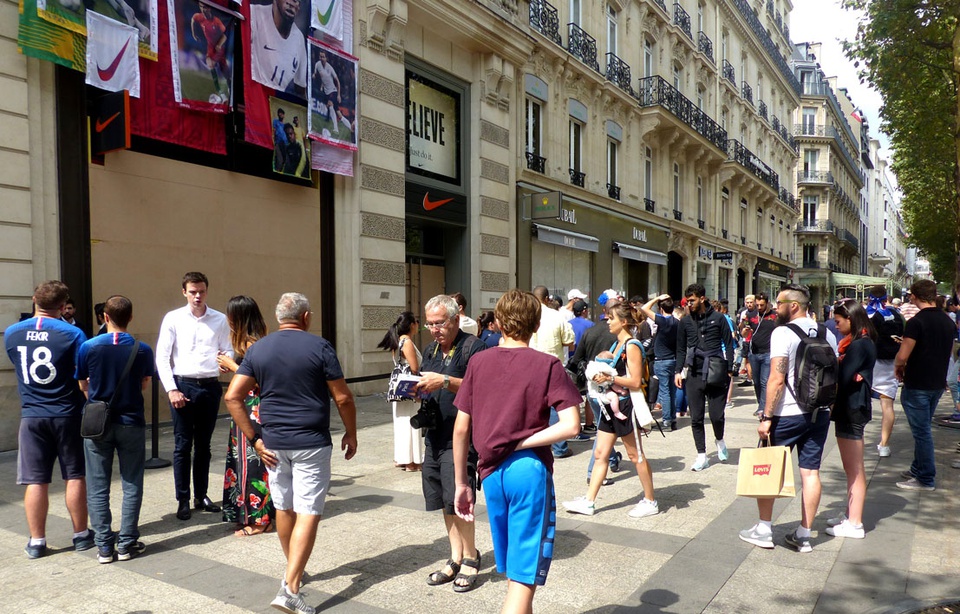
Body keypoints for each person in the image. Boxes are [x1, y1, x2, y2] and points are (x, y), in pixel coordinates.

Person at [224, 292, 358, 614]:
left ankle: (292, 570)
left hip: (272, 444)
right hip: (310, 442)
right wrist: (351, 433)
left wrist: (254, 439)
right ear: (306, 317)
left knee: (284, 508)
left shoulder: (258, 349)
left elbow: (232, 397)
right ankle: (291, 588)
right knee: (309, 511)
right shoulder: (320, 347)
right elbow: (342, 398)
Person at [452, 290, 581, 612]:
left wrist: (461, 484)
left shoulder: (478, 362)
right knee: (523, 580)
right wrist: (523, 441)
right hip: (528, 470)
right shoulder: (547, 364)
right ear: (536, 325)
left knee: (513, 569)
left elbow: (460, 429)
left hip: (490, 472)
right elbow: (571, 426)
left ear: (497, 323)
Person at [739, 284, 838, 553]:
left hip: (787, 413)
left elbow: (776, 378)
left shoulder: (782, 332)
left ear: (793, 305)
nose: (775, 305)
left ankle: (763, 529)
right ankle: (805, 534)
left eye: (779, 301)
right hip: (818, 412)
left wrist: (767, 416)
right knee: (810, 472)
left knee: (768, 468)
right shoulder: (827, 333)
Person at [5, 280, 94, 559]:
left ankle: (36, 541)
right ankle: (80, 534)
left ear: (34, 299)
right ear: (62, 306)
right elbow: (82, 372)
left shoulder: (11, 333)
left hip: (32, 414)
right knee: (75, 475)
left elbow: (16, 363)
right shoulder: (73, 333)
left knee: (36, 480)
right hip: (67, 412)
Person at [413, 295, 485, 593]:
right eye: (429, 324)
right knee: (443, 499)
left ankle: (471, 556)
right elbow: (428, 381)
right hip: (435, 433)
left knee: (459, 496)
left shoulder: (474, 347)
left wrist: (443, 381)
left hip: (461, 436)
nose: (433, 329)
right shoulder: (430, 349)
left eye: (439, 323)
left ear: (455, 319)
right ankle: (454, 556)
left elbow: (480, 387)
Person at [76, 295, 155, 562]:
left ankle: (104, 546)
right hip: (131, 422)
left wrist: (99, 403)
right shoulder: (142, 349)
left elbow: (83, 385)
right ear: (130, 317)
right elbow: (144, 383)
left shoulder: (88, 347)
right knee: (132, 482)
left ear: (105, 317)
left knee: (98, 484)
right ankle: (127, 543)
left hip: (98, 424)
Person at [562, 302, 659, 518]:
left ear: (623, 322)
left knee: (635, 455)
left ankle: (650, 500)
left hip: (625, 406)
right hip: (609, 404)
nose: (607, 321)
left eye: (611, 318)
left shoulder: (631, 345)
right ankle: (589, 501)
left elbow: (634, 381)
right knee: (600, 454)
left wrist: (609, 378)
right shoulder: (617, 344)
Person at [156, 272, 232, 521]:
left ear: (207, 291)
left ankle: (201, 494)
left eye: (201, 291)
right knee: (182, 446)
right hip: (183, 385)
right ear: (184, 292)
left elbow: (228, 348)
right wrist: (171, 389)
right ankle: (183, 498)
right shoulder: (174, 318)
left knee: (204, 445)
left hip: (209, 386)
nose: (198, 296)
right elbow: (162, 356)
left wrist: (225, 361)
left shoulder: (219, 319)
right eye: (193, 291)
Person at [216, 296, 275, 536]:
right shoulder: (249, 342)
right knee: (242, 461)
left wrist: (232, 366)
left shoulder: (254, 343)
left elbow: (261, 379)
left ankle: (261, 520)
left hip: (253, 410)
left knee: (254, 463)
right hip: (244, 409)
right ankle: (246, 514)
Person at [894, 279, 956, 491]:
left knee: (922, 432)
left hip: (918, 382)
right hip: (937, 382)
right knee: (923, 427)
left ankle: (926, 478)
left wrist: (898, 367)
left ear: (914, 296)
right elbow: (948, 352)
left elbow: (902, 356)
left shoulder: (916, 323)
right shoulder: (948, 321)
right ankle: (917, 468)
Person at [825, 299, 876, 540]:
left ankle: (855, 522)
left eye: (838, 321)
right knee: (850, 468)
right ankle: (850, 515)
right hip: (852, 407)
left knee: (854, 469)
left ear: (850, 319)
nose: (835, 326)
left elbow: (843, 378)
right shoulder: (858, 343)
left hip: (852, 408)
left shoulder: (858, 346)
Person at [675, 284, 734, 472]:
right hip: (694, 372)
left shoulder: (719, 318)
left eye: (691, 300)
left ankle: (720, 440)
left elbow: (729, 344)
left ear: (702, 298)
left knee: (717, 415)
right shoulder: (684, 322)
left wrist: (730, 368)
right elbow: (680, 348)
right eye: (687, 301)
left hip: (716, 370)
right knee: (696, 417)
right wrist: (678, 370)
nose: (688, 304)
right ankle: (701, 455)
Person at [567, 298, 621, 480]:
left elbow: (575, 360)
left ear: (604, 311)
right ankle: (594, 471)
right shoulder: (619, 334)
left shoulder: (590, 331)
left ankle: (612, 459)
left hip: (592, 389)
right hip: (613, 388)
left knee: (604, 427)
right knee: (604, 430)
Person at [530, 286, 577, 455]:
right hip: (552, 365)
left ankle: (536, 442)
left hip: (529, 365)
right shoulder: (556, 316)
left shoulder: (526, 315)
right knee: (556, 406)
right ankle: (559, 447)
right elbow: (569, 340)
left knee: (533, 405)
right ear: (547, 298)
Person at [376, 311, 423, 472]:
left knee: (402, 423)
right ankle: (412, 460)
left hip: (399, 388)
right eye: (416, 321)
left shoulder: (397, 342)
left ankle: (403, 457)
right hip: (410, 388)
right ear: (411, 325)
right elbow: (414, 368)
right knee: (412, 422)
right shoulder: (407, 342)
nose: (418, 325)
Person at [866, 286, 905, 457]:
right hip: (892, 363)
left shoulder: (869, 315)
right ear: (886, 298)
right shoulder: (896, 315)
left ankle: (856, 439)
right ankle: (884, 445)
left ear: (869, 298)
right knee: (887, 406)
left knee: (861, 400)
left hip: (872, 362)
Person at [638, 294, 679, 431]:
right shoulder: (676, 322)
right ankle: (672, 419)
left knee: (665, 391)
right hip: (672, 359)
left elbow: (644, 308)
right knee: (671, 391)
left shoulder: (662, 321)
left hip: (662, 360)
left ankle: (666, 421)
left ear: (661, 309)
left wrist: (657, 299)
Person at [250, 0, 308, 97]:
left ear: (299, 8)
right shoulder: (254, 14)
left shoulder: (299, 39)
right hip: (253, 97)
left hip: (276, 105)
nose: (293, 1)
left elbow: (300, 88)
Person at [190, 4, 229, 99]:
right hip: (210, 47)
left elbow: (225, 35)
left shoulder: (216, 21)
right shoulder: (199, 17)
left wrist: (219, 44)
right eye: (201, 7)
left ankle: (229, 86)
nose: (203, 9)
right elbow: (192, 20)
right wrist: (194, 35)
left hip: (219, 48)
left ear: (209, 8)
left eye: (205, 7)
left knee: (224, 71)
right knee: (210, 64)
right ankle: (221, 92)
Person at [748, 293, 778, 417]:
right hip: (754, 352)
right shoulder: (751, 315)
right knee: (756, 382)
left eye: (762, 305)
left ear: (767, 303)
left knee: (764, 381)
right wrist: (744, 330)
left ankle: (762, 408)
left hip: (768, 352)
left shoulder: (775, 316)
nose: (759, 307)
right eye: (757, 305)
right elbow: (743, 330)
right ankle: (760, 403)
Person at [585, 351, 629, 420]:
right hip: (598, 393)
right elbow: (589, 374)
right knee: (614, 397)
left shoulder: (603, 372)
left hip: (604, 390)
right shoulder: (594, 368)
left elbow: (612, 383)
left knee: (612, 385)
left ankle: (621, 391)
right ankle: (616, 412)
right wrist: (595, 376)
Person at [311, 49, 344, 135]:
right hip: (326, 92)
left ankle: (335, 128)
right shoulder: (317, 65)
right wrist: (314, 76)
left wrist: (339, 95)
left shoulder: (330, 68)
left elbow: (337, 81)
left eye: (323, 57)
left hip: (333, 90)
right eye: (320, 56)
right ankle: (350, 127)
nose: (322, 58)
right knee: (338, 113)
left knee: (330, 104)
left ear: (326, 58)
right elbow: (319, 75)